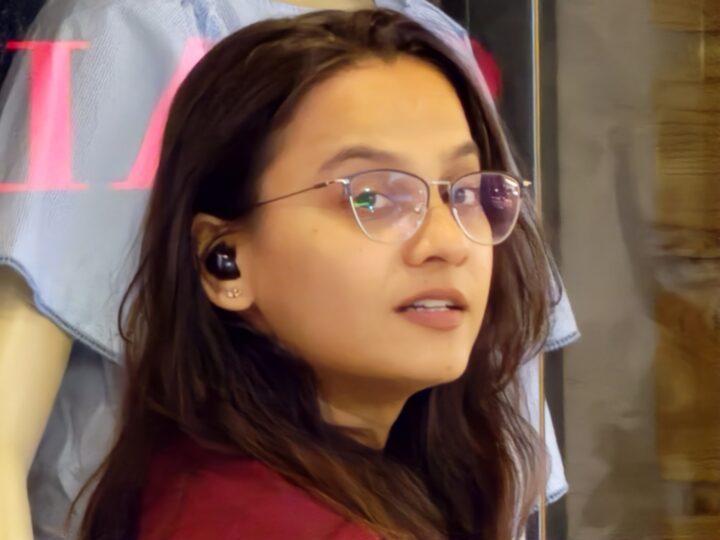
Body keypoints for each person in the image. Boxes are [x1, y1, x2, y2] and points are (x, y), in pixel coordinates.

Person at [0, 0, 578, 538]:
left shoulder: (431, 37)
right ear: (224, 261)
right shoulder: (134, 22)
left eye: (465, 192)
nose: (447, 242)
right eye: (372, 197)